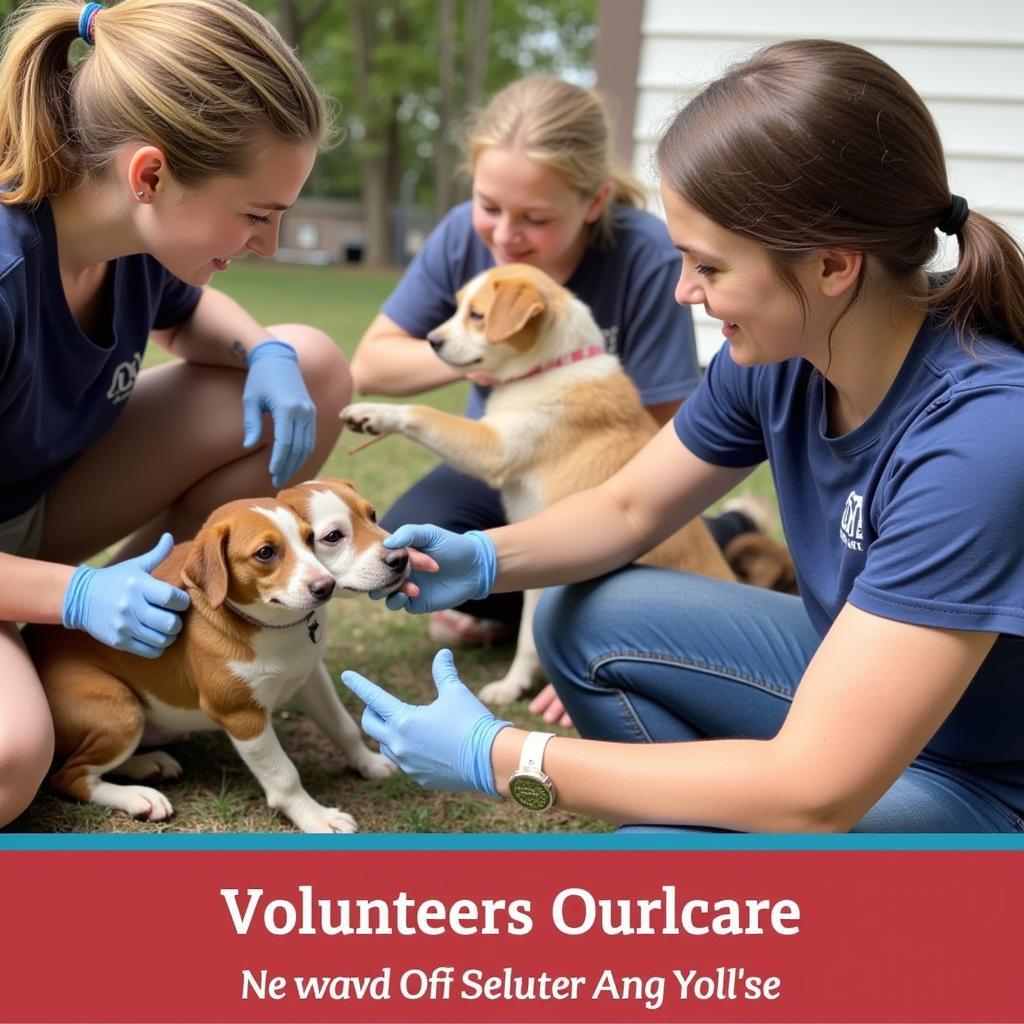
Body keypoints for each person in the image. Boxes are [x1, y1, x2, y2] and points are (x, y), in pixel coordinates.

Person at [341, 39, 1024, 833]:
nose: (683, 291)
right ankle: (694, 831)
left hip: (980, 786)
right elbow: (630, 506)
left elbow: (817, 789)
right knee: (577, 616)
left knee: (730, 838)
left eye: (709, 266)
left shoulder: (982, 436)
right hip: (857, 694)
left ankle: (691, 841)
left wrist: (503, 758)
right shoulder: (785, 352)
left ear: (835, 265)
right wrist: (487, 560)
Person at [0, 0, 351, 828]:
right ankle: (54, 634)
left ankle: (159, 627)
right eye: (257, 213)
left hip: (33, 514)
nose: (268, 244)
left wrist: (263, 351)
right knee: (13, 759)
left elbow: (191, 317)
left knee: (314, 363)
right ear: (150, 176)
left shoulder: (129, 241)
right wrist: (76, 595)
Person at [349, 76, 721, 722]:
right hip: (500, 457)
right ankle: (521, 606)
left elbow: (669, 434)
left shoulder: (648, 256)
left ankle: (685, 567)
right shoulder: (464, 237)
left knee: (593, 573)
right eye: (489, 205)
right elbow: (372, 361)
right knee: (418, 544)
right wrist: (490, 362)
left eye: (536, 219)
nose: (505, 234)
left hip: (606, 476)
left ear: (594, 202)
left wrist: (605, 549)